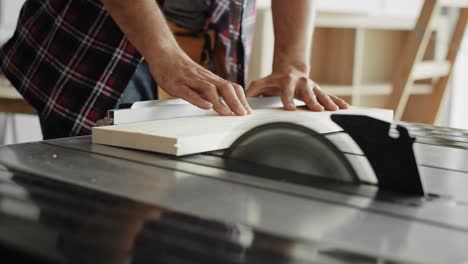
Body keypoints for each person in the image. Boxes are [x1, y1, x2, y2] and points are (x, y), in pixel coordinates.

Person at [0, 0, 349, 139]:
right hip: (100, 39)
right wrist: (164, 53)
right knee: (100, 214)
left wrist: (291, 64)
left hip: (213, 34)